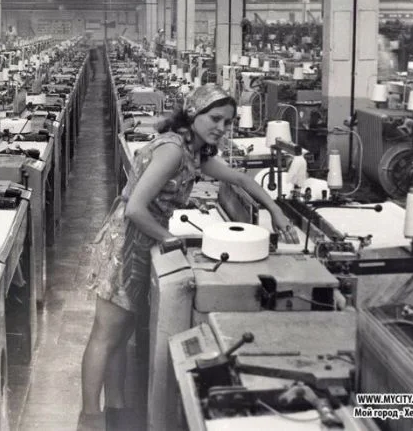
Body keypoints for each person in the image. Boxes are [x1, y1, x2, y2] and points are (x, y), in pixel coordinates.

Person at [78, 84, 300, 431]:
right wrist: (169, 238)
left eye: (227, 122)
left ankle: (116, 409)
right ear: (193, 113)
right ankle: (89, 419)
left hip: (143, 241)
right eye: (215, 118)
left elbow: (241, 179)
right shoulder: (172, 151)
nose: (221, 128)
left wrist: (277, 211)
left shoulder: (194, 153)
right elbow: (135, 208)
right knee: (105, 334)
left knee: (121, 334)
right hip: (126, 243)